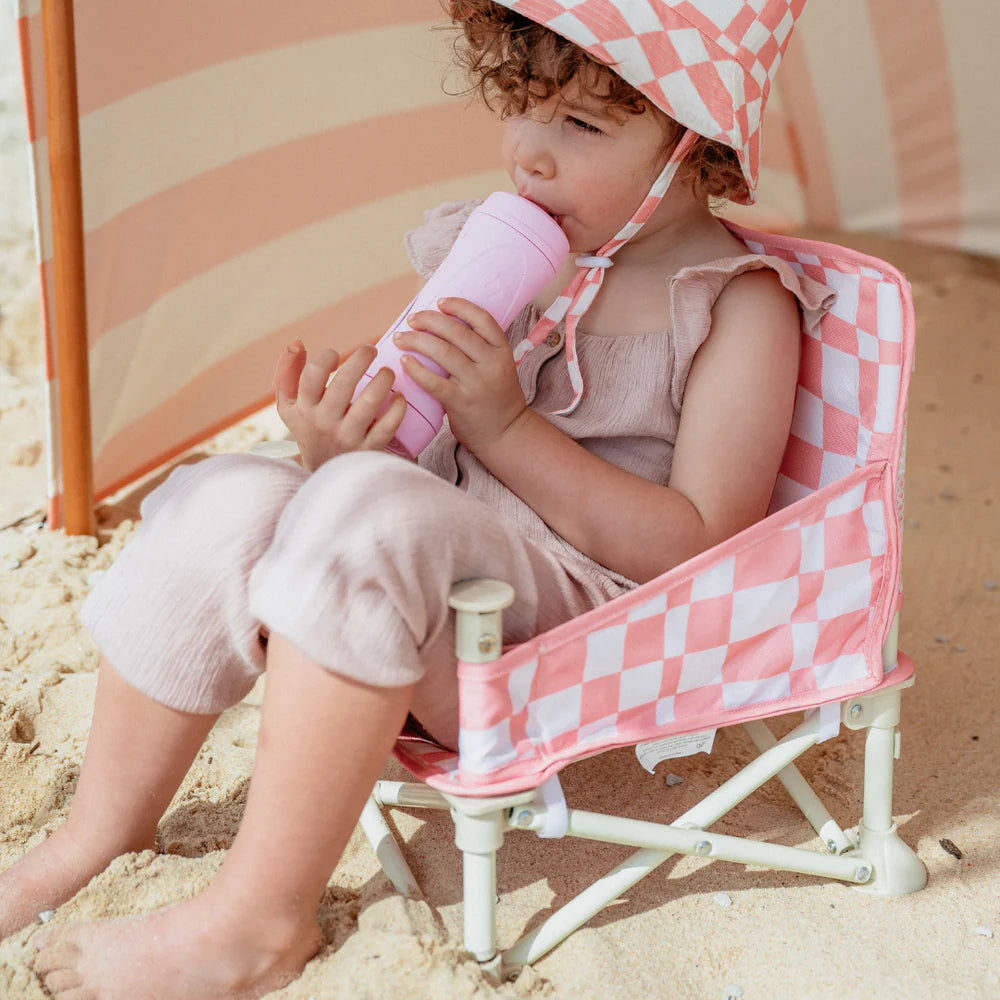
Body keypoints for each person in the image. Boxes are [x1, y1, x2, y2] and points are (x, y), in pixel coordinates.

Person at [2, 1, 831, 996]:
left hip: (572, 635)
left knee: (371, 514)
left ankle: (257, 923)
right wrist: (338, 449)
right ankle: (100, 830)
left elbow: (698, 546)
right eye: (523, 108)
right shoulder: (508, 253)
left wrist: (508, 429)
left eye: (581, 126)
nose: (529, 155)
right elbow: (413, 455)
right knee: (227, 493)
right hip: (415, 590)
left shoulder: (739, 303)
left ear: (694, 149)